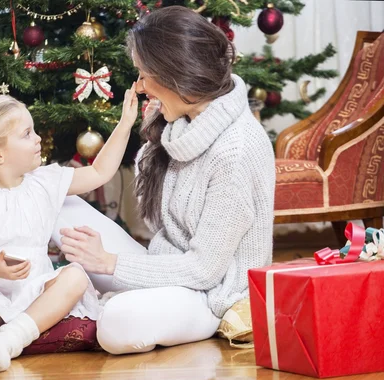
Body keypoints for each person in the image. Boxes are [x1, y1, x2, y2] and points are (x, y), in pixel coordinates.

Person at [58, 6, 276, 355]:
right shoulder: (184, 123)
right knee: (60, 205)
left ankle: (82, 305)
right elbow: (160, 225)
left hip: (210, 297)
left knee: (116, 325)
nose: (141, 87)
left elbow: (204, 270)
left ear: (176, 75)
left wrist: (109, 263)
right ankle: (59, 300)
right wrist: (152, 135)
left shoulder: (236, 151)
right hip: (165, 268)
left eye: (145, 76)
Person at [0, 89, 138, 373]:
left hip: (35, 292)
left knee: (76, 275)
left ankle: (12, 338)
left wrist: (125, 124)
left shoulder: (45, 181)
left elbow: (100, 172)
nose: (38, 138)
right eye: (27, 134)